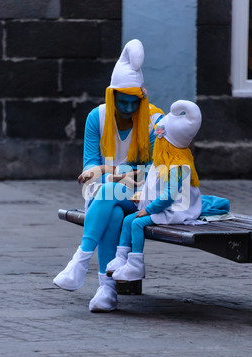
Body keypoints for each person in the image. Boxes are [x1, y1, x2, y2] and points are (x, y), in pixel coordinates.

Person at [53, 39, 164, 312]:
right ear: (111, 96)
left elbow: (152, 173)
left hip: (143, 197)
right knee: (112, 210)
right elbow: (90, 166)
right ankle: (106, 290)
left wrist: (111, 173)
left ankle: (80, 261)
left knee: (108, 194)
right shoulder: (97, 117)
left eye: (133, 103)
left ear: (143, 98)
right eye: (122, 103)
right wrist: (116, 176)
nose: (127, 109)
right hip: (106, 195)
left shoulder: (154, 121)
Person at [106, 100, 203, 283]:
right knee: (128, 220)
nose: (156, 145)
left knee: (137, 223)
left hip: (175, 211)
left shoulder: (177, 167)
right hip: (162, 206)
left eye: (160, 141)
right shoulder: (162, 163)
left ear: (167, 143)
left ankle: (136, 266)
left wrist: (148, 210)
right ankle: (121, 258)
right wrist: (141, 194)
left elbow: (169, 196)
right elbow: (152, 184)